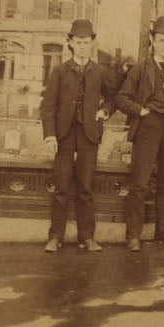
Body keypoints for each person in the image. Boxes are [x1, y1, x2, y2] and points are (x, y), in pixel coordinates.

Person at [115, 15, 164, 251]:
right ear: (152, 41)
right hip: (148, 127)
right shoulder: (140, 69)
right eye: (160, 40)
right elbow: (121, 97)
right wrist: (140, 110)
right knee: (139, 182)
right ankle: (133, 236)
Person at [41, 19, 116, 252]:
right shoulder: (60, 71)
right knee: (61, 186)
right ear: (70, 43)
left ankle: (87, 237)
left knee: (85, 187)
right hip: (64, 135)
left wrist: (105, 111)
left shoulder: (100, 72)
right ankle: (55, 237)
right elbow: (48, 105)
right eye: (78, 42)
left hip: (88, 135)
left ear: (92, 43)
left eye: (86, 42)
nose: (82, 46)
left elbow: (114, 97)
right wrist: (50, 135)